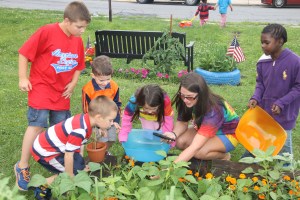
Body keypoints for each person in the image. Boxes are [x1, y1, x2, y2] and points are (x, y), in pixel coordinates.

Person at [14, 1, 91, 191]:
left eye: (85, 27)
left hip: (61, 92)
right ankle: (22, 166)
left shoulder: (77, 40)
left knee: (60, 128)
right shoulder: (47, 31)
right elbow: (24, 53)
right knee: (37, 124)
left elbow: (80, 65)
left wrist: (73, 84)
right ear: (67, 21)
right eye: (79, 26)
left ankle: (58, 163)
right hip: (41, 86)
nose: (82, 30)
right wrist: (23, 78)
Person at [31, 96, 118, 199]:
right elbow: (68, 155)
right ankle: (42, 185)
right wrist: (70, 176)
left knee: (78, 167)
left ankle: (73, 173)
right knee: (69, 172)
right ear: (98, 117)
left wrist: (79, 163)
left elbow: (80, 145)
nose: (112, 123)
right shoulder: (79, 130)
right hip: (46, 152)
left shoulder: (86, 121)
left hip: (56, 146)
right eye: (110, 120)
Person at [242, 24, 300, 158]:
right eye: (261, 42)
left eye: (266, 42)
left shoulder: (295, 62)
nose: (262, 45)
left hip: (284, 114)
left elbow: (298, 87)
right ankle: (250, 161)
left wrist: (281, 103)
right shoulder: (262, 62)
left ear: (280, 41)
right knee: (260, 140)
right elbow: (260, 83)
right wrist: (255, 97)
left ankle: (287, 174)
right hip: (265, 112)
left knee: (283, 149)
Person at [163, 72, 239, 163]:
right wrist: (173, 134)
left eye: (189, 97)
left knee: (199, 152)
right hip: (203, 128)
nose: (185, 100)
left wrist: (170, 169)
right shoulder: (185, 98)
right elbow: (182, 122)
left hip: (227, 134)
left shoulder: (214, 110)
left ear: (201, 95)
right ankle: (201, 149)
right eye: (182, 95)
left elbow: (195, 147)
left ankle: (224, 156)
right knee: (179, 141)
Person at [82, 55, 122, 151]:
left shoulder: (114, 86)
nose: (105, 83)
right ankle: (98, 154)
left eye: (108, 79)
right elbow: (87, 110)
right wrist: (97, 126)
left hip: (110, 119)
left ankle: (104, 152)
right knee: (102, 139)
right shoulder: (87, 89)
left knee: (112, 138)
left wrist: (116, 121)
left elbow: (117, 104)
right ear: (93, 76)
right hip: (96, 120)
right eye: (101, 80)